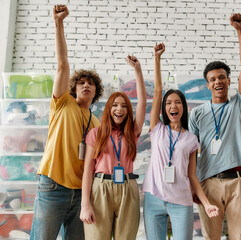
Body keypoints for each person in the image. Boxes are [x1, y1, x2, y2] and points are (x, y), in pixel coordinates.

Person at [30, 5, 104, 240]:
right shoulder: (62, 103)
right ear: (73, 88)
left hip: (80, 194)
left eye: (90, 83)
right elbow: (62, 64)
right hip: (53, 185)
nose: (86, 85)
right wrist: (58, 23)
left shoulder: (96, 122)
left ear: (96, 92)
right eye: (81, 82)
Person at [142, 43, 219, 240]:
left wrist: (206, 203)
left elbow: (192, 176)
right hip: (154, 198)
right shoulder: (157, 129)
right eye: (168, 103)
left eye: (177, 102)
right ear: (164, 109)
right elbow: (158, 91)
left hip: (181, 201)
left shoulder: (191, 139)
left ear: (183, 108)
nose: (172, 106)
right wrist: (157, 59)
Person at [188, 13, 241, 240]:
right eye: (213, 79)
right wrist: (195, 186)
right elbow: (192, 152)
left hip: (238, 181)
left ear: (228, 81)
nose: (218, 81)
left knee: (240, 236)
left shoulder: (239, 105)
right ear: (207, 85)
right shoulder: (197, 113)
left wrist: (240, 32)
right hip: (209, 183)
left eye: (222, 77)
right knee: (210, 236)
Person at [79, 55, 146, 240]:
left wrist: (137, 71)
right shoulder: (95, 133)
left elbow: (142, 102)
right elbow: (87, 171)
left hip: (127, 187)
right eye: (115, 105)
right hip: (100, 188)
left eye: (124, 106)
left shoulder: (132, 131)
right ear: (108, 109)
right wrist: (85, 205)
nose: (120, 109)